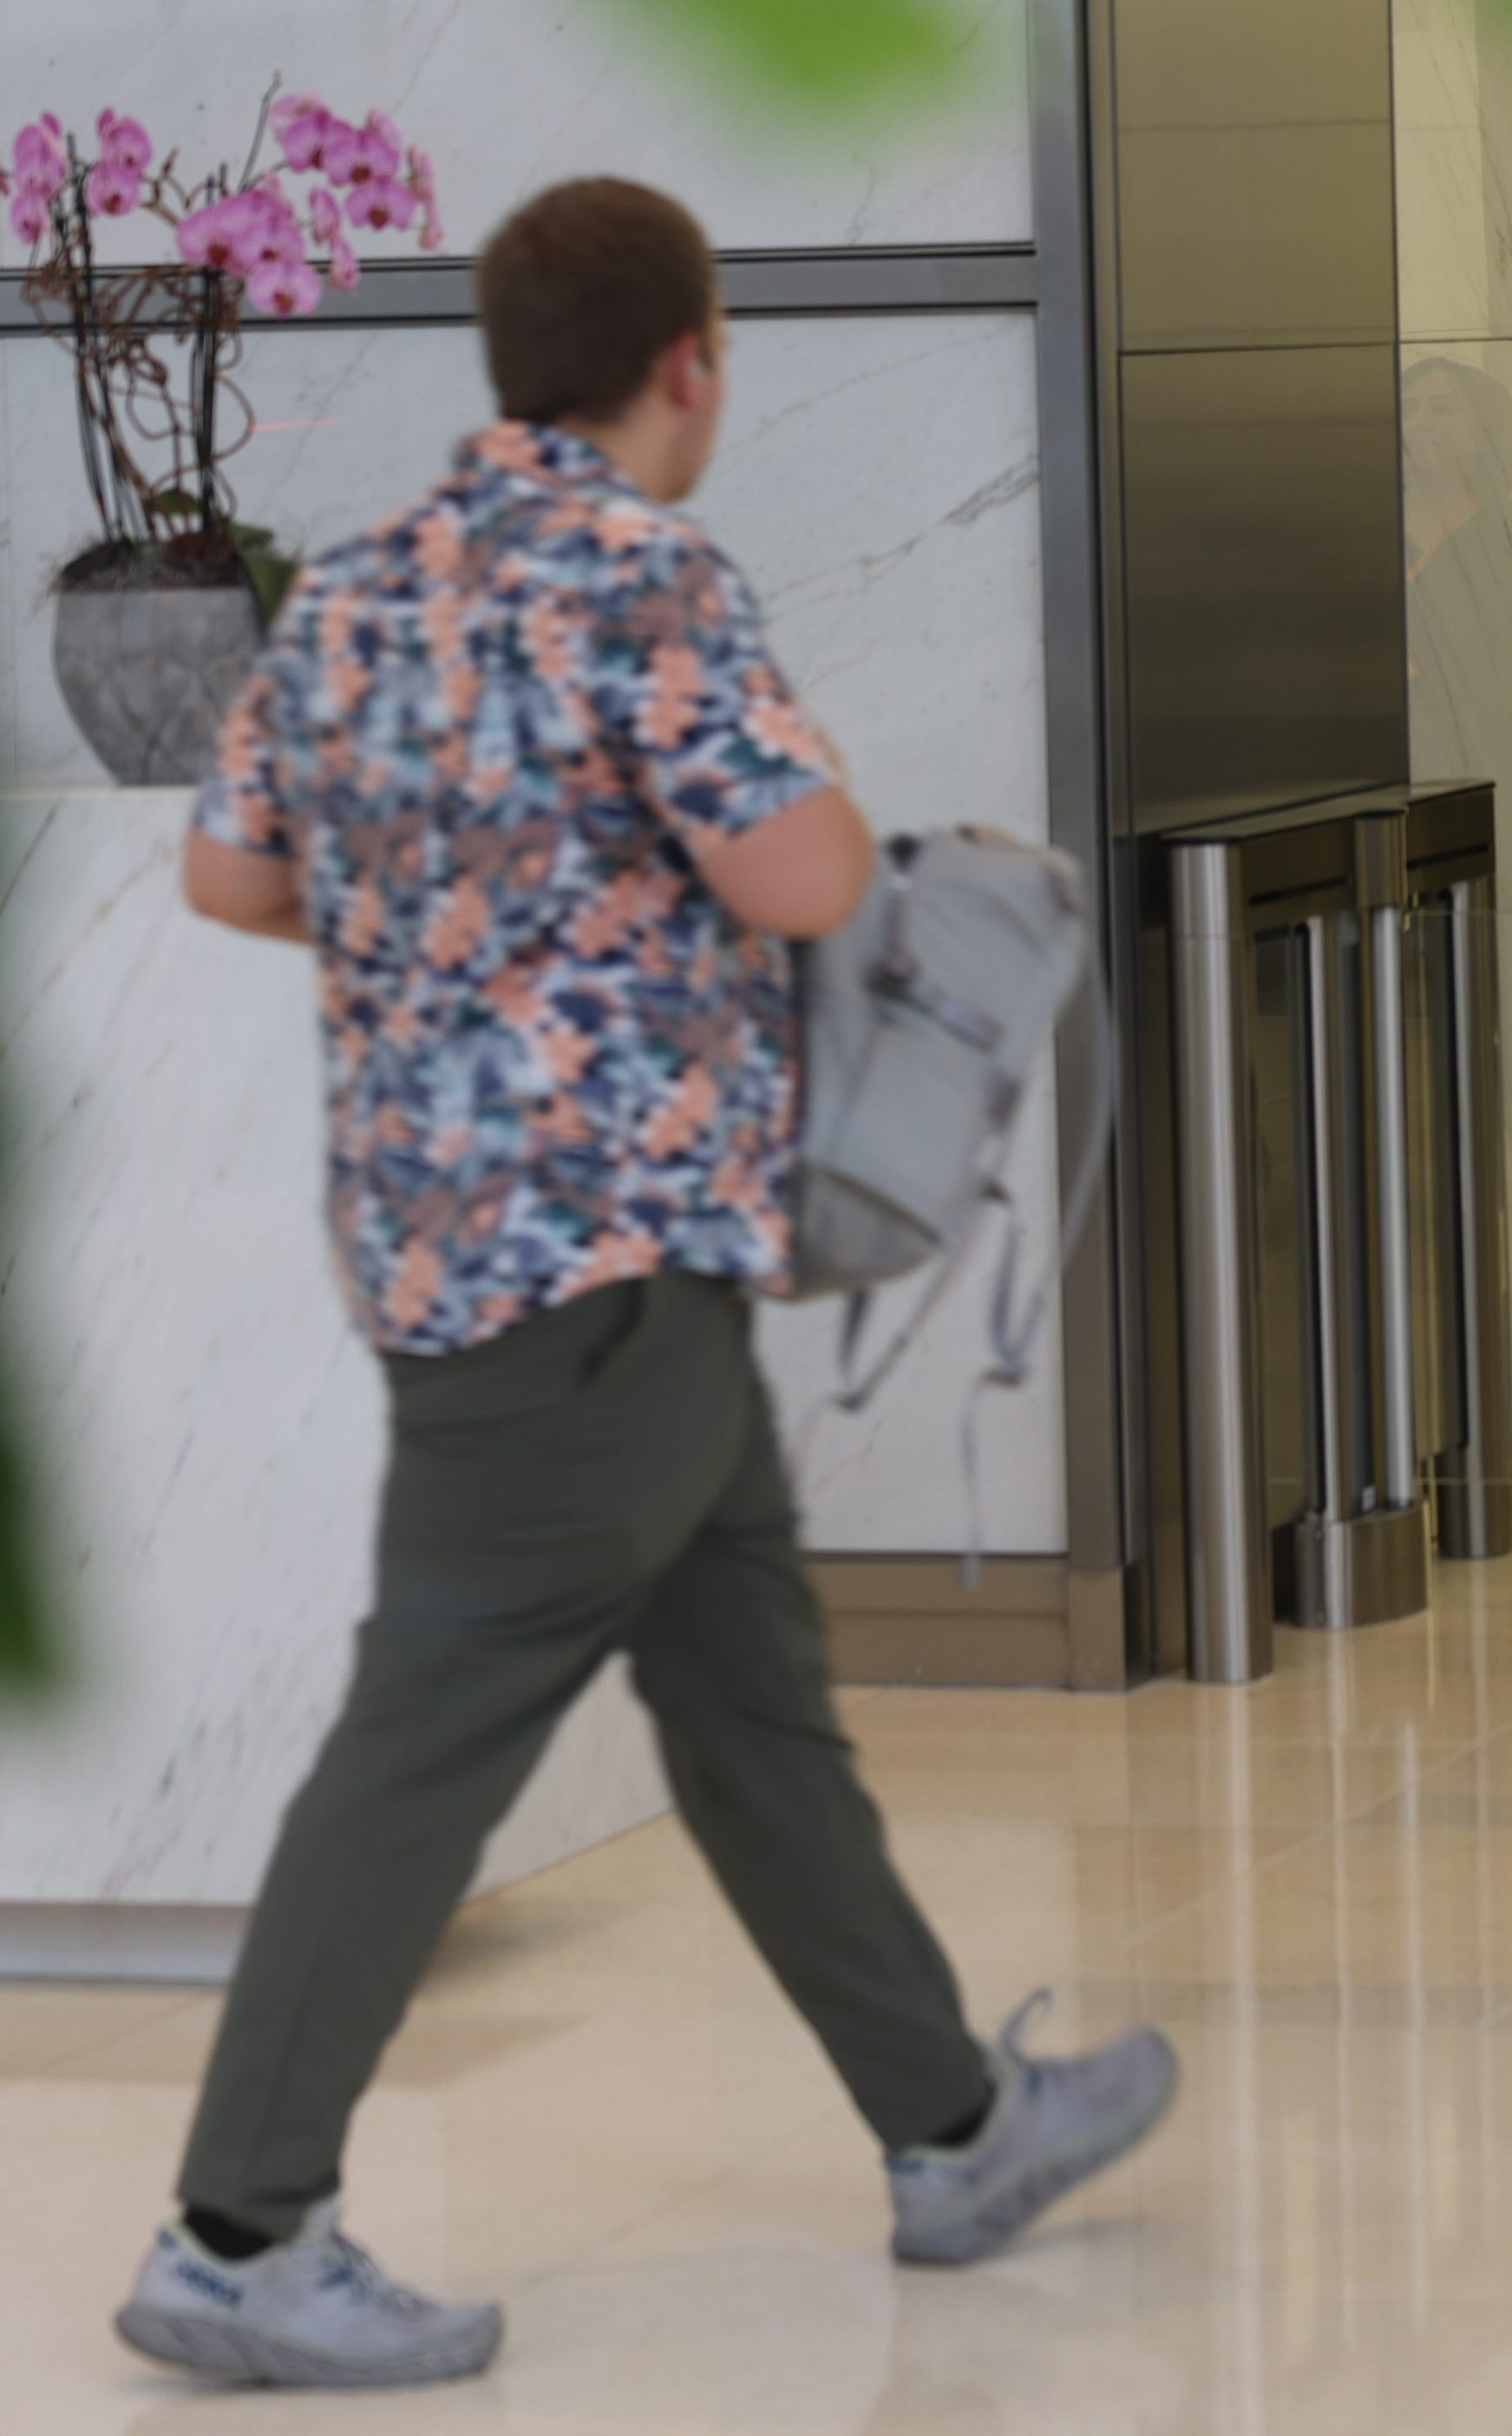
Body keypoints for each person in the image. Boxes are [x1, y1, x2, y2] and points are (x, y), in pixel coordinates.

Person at [118, 181, 1177, 2393]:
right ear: (684, 358)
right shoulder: (640, 571)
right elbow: (801, 872)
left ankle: (953, 2127)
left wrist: (449, 933)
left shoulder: (362, 581)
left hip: (476, 1258)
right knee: (428, 1729)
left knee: (754, 1710)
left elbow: (230, 867)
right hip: (595, 1266)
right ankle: (238, 2229)